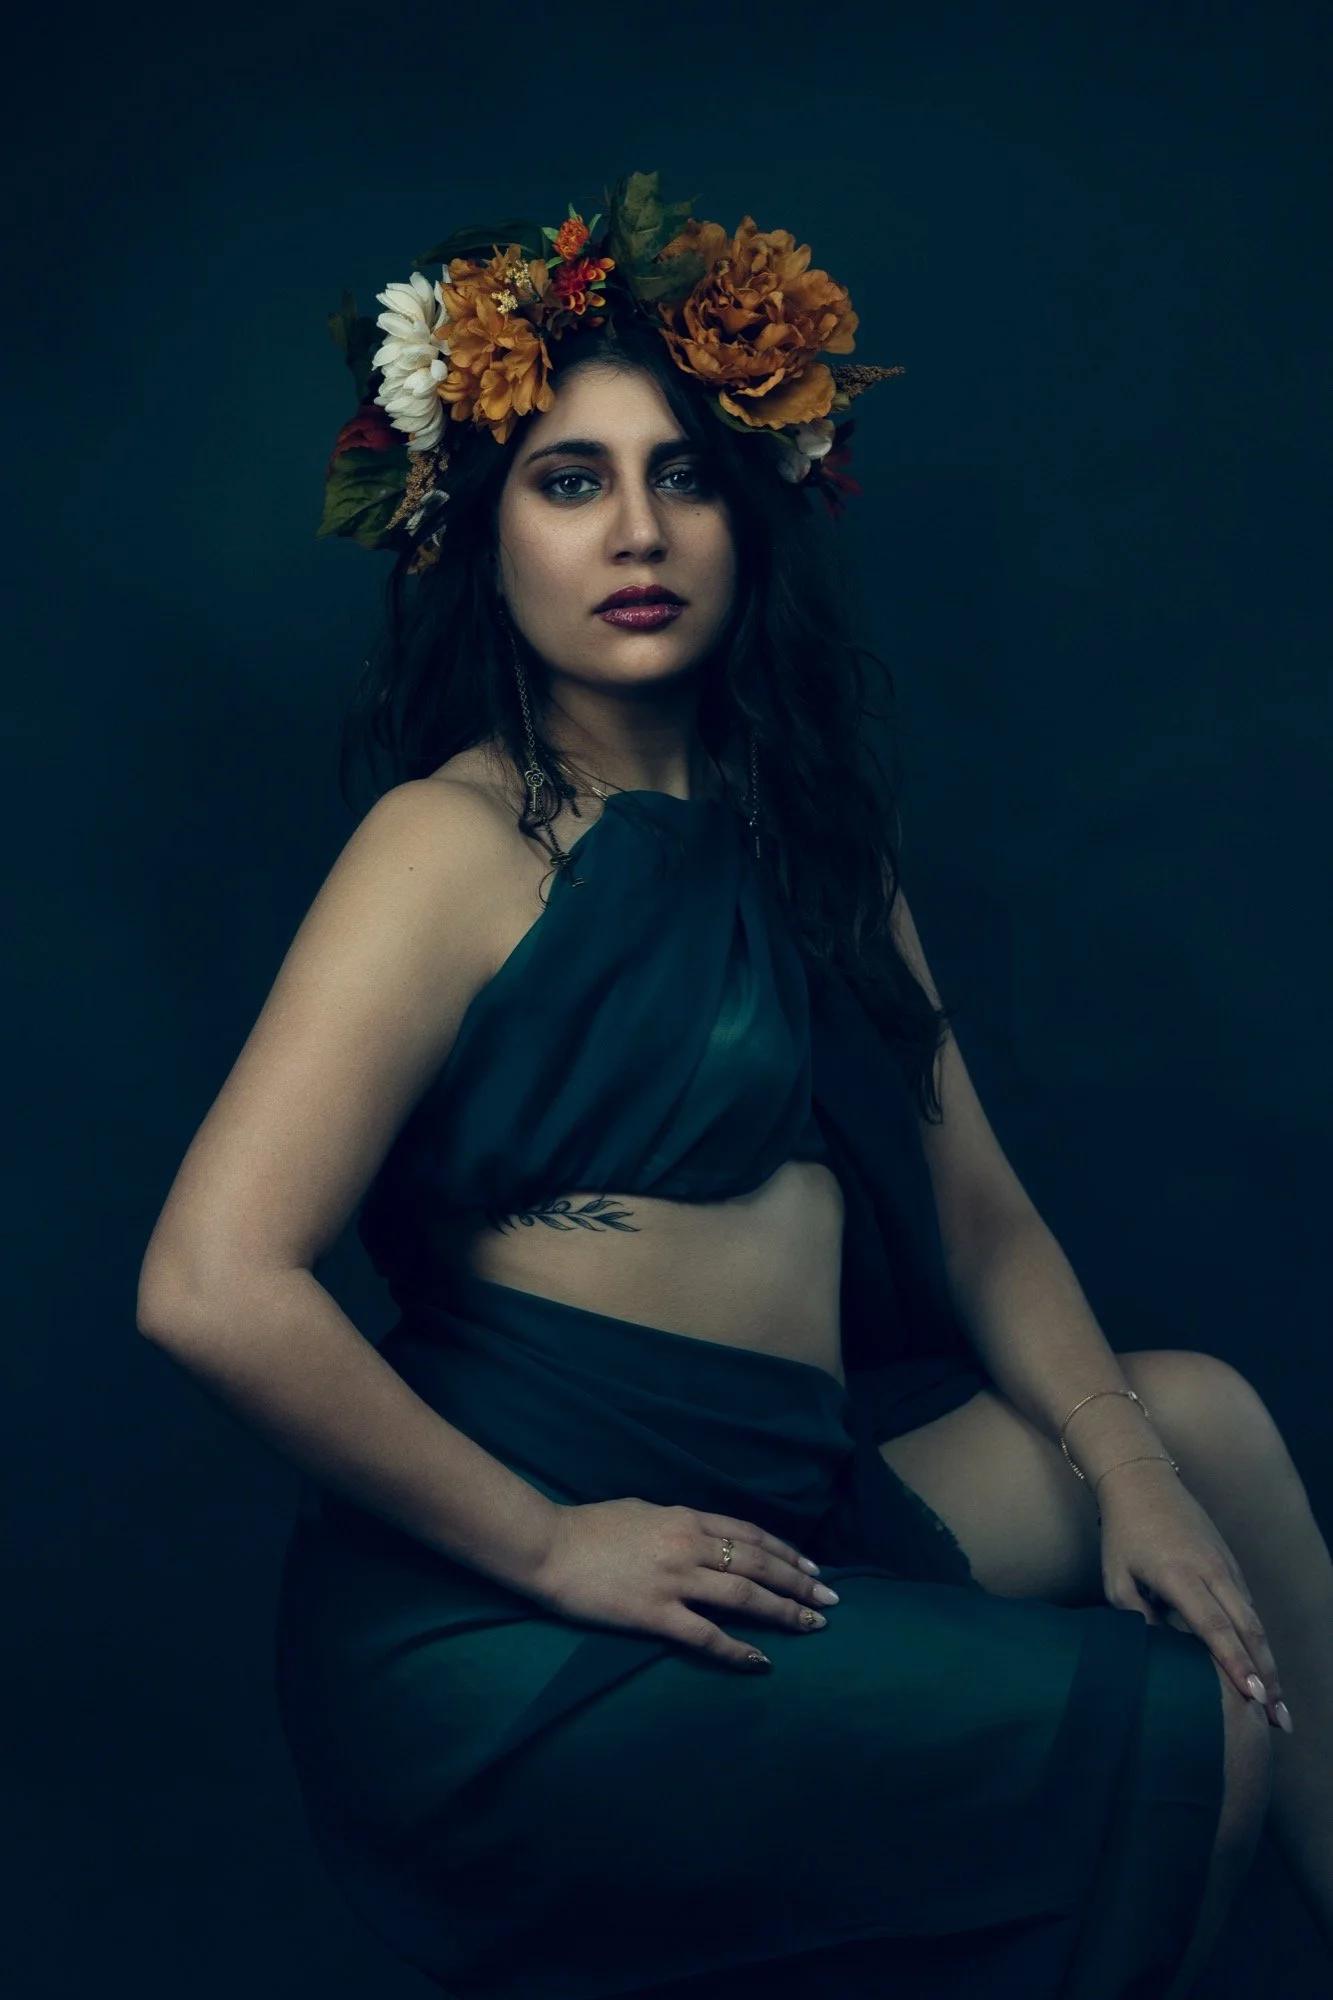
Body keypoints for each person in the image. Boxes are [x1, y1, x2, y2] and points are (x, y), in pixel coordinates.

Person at [136, 176, 1332, 2000]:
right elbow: (210, 1287)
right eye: (571, 478)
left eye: (684, 474)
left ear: (750, 513)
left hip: (777, 1515)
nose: (638, 529)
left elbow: (983, 1218)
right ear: (488, 529)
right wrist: (550, 1544)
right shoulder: (447, 845)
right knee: (1197, 1733)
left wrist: (1132, 1480)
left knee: (1210, 1432)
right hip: (528, 1602)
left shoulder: (816, 844)